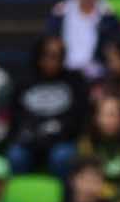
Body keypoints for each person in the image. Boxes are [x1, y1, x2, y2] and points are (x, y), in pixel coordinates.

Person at [7, 35, 88, 177]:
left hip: (61, 140)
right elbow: (16, 116)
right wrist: (33, 132)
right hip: (30, 139)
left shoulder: (74, 82)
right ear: (39, 57)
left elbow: (77, 118)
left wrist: (55, 132)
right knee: (16, 156)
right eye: (49, 56)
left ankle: (65, 197)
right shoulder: (24, 81)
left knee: (62, 156)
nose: (53, 61)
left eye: (58, 56)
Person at [47, 0, 120, 80]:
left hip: (100, 78)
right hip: (64, 77)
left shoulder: (111, 17)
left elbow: (115, 55)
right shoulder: (59, 14)